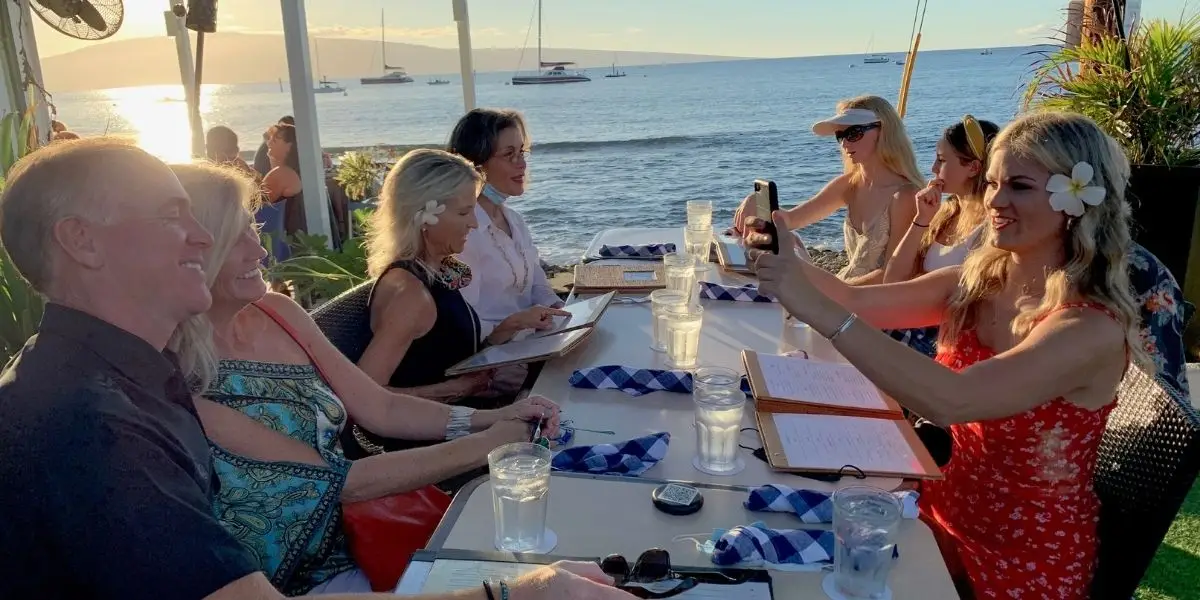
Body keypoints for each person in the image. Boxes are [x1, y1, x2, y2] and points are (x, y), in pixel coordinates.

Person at [0, 138, 630, 600]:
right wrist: (524, 594)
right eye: (173, 217)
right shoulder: (91, 422)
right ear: (81, 242)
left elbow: (375, 407)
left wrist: (488, 422)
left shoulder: (124, 376)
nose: (201, 239)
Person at [751, 111, 1145, 599]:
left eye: (1019, 186)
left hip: (1020, 562)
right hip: (934, 517)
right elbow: (857, 302)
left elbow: (952, 400)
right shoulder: (982, 280)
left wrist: (815, 309)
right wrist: (783, 251)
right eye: (995, 182)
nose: (996, 199)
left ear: (1078, 201)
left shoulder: (1089, 328)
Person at [166, 162, 562, 593]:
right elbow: (342, 482)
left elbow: (380, 405)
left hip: (360, 542)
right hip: (284, 580)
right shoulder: (176, 374)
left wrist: (495, 417)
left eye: (252, 230)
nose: (259, 252)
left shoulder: (277, 313)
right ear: (192, 251)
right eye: (236, 237)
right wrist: (490, 444)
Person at [352, 149, 567, 458]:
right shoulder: (410, 294)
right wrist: (459, 390)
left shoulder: (436, 272)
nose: (474, 225)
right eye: (465, 213)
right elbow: (363, 399)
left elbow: (441, 355)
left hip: (466, 419)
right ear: (425, 216)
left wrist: (506, 330)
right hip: (430, 446)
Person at [733, 95, 924, 284]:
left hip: (868, 302)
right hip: (844, 290)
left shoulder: (906, 196)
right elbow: (791, 219)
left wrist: (828, 290)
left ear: (884, 131)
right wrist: (757, 201)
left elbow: (893, 277)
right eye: (840, 136)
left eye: (854, 133)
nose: (845, 143)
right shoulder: (850, 184)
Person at [450, 108, 566, 338]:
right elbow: (465, 324)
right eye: (509, 154)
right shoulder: (464, 234)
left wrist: (563, 312)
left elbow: (537, 286)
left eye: (522, 152)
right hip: (499, 356)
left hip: (533, 341)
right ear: (476, 164)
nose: (521, 163)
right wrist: (513, 329)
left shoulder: (514, 220)